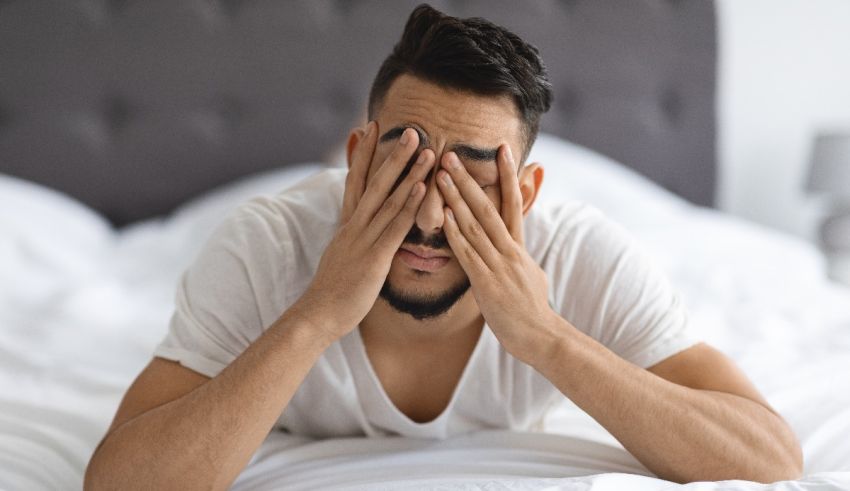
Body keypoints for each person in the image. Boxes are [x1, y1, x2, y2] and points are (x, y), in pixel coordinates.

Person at [84, 4, 802, 489]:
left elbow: (769, 459)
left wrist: (545, 336)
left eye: (472, 181)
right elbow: (117, 479)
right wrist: (317, 314)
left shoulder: (580, 255)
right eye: (405, 165)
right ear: (358, 157)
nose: (430, 214)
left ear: (524, 193)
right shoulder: (267, 244)